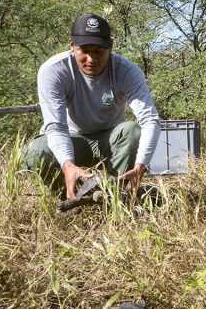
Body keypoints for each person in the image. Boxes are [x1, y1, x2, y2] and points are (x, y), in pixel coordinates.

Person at [20, 13, 162, 199]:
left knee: (133, 130)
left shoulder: (127, 71)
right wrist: (68, 165)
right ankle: (68, 195)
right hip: (72, 138)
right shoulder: (54, 70)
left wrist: (141, 164)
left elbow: (149, 120)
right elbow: (55, 126)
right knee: (36, 151)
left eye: (98, 51)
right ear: (72, 46)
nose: (91, 58)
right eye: (84, 50)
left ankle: (111, 194)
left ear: (110, 46)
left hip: (109, 140)